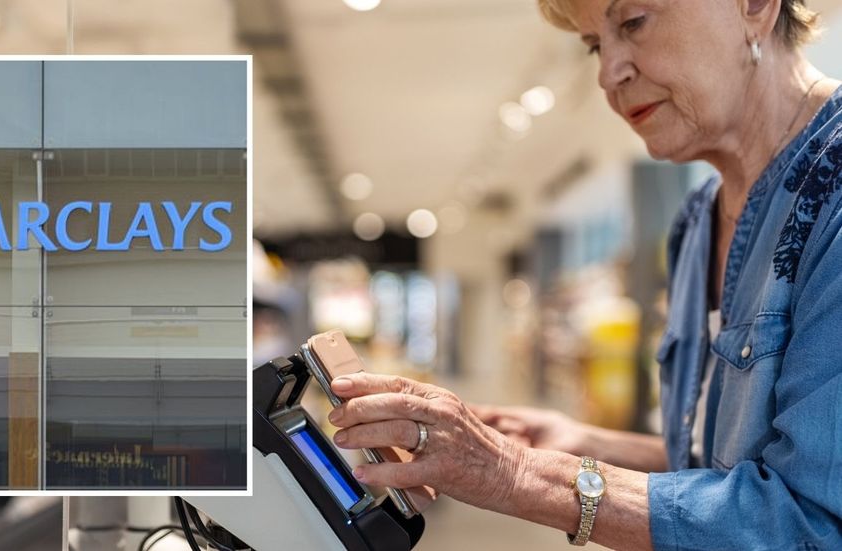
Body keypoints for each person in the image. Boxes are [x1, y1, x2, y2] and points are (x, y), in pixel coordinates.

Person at [325, 0, 842, 548]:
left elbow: (812, 522)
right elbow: (723, 458)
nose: (607, 72)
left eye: (634, 23)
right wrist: (586, 446)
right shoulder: (695, 223)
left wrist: (517, 473)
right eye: (596, 44)